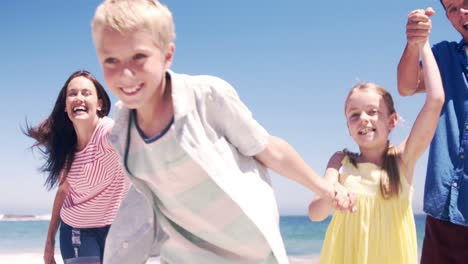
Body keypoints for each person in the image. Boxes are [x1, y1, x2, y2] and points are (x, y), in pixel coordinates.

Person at [90, 0, 354, 263]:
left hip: (251, 253)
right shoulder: (123, 134)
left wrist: (325, 189)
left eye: (139, 57)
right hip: (185, 256)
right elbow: (141, 208)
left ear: (167, 55)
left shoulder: (205, 98)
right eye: (111, 60)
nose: (125, 73)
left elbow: (269, 150)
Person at [308, 35, 444, 262]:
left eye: (373, 112)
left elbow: (436, 100)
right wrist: (331, 194)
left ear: (391, 121)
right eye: (354, 115)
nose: (363, 119)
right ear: (348, 127)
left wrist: (423, 44)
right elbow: (315, 214)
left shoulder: (403, 159)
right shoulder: (341, 162)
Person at [25, 70, 129, 264]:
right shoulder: (65, 147)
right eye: (72, 94)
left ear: (99, 104)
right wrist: (49, 243)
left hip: (116, 228)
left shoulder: (107, 133)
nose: (78, 98)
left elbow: (129, 135)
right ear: (65, 107)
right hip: (76, 231)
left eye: (86, 93)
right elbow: (64, 191)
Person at [397, 2, 468, 263]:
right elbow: (406, 86)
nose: (462, 13)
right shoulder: (444, 55)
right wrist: (415, 42)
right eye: (452, 9)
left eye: (466, 3)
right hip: (444, 214)